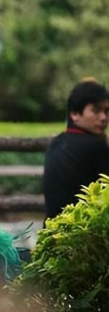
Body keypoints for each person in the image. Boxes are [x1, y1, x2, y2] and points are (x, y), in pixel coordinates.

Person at [43, 79, 109, 219]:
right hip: (82, 231)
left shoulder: (57, 142)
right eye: (95, 110)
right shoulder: (97, 146)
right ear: (75, 114)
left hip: (52, 230)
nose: (103, 118)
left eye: (106, 111)